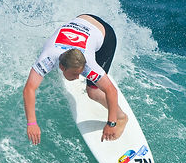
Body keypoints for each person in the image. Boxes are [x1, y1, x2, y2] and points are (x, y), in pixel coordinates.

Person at [22, 14, 128, 145]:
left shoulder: (88, 63)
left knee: (93, 92)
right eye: (74, 74)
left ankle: (122, 117)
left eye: (80, 73)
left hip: (105, 35)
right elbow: (29, 89)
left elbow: (111, 91)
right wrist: (32, 123)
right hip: (83, 19)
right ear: (61, 66)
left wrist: (111, 123)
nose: (78, 77)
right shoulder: (48, 57)